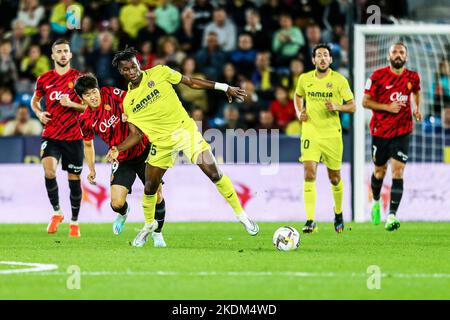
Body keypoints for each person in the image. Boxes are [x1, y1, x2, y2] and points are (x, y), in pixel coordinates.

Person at [108, 47, 259, 247]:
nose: (131, 71)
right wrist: (118, 148)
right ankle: (148, 226)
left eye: (133, 65)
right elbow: (136, 134)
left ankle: (242, 216)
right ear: (121, 72)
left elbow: (190, 82)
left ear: (138, 63)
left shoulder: (160, 72)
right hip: (161, 143)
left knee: (213, 173)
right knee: (150, 187)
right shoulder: (128, 102)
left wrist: (224, 87)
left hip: (185, 132)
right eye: (125, 69)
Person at [74, 74, 167, 247]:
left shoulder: (109, 93)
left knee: (157, 194)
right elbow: (88, 145)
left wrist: (129, 112)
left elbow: (133, 99)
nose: (93, 97)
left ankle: (158, 234)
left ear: (98, 88)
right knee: (116, 203)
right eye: (87, 95)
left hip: (143, 150)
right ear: (82, 99)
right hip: (122, 158)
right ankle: (124, 213)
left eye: (94, 91)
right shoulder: (84, 120)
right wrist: (92, 169)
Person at [294, 43, 355, 234]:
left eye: (325, 55)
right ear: (313, 60)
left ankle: (338, 213)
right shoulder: (304, 79)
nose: (322, 58)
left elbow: (352, 106)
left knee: (334, 178)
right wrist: (299, 112)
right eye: (318, 55)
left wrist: (337, 106)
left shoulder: (339, 81)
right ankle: (310, 220)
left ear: (331, 59)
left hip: (331, 135)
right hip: (310, 132)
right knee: (309, 173)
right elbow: (297, 96)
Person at [362, 43, 422, 231]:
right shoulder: (377, 76)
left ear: (406, 57)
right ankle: (376, 202)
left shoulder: (413, 77)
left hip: (403, 131)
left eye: (401, 52)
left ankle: (392, 216)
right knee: (380, 171)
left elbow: (416, 91)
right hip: (380, 132)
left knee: (398, 171)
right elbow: (365, 102)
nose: (398, 55)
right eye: (394, 52)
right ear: (388, 56)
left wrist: (416, 108)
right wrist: (388, 107)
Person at [30, 39, 86, 237]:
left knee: (74, 178)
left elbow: (89, 107)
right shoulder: (44, 79)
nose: (63, 54)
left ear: (70, 55)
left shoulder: (79, 79)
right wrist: (38, 114)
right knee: (49, 170)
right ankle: (56, 212)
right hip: (51, 134)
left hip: (73, 137)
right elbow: (34, 101)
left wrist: (71, 104)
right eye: (59, 51)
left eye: (66, 51)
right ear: (52, 56)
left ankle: (75, 221)